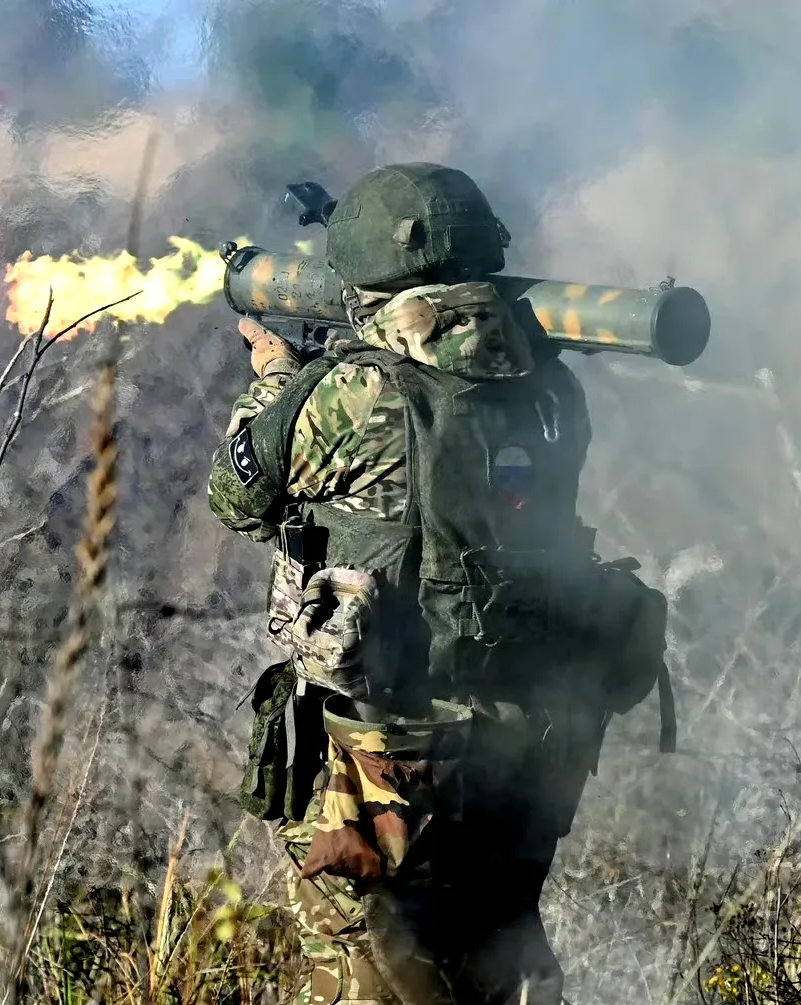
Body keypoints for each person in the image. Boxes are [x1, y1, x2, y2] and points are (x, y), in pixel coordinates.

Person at [207, 162, 672, 1005]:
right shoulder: (549, 386)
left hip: (390, 760)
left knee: (367, 970)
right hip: (530, 741)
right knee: (499, 960)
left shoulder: (355, 391)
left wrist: (275, 372)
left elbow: (238, 497)